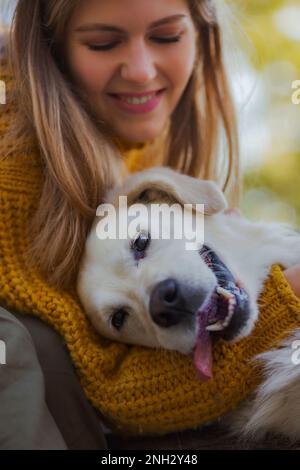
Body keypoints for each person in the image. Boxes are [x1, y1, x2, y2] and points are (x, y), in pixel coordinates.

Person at [1, 0, 300, 450]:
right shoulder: (13, 158)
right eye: (103, 43)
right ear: (51, 51)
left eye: (166, 36)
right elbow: (114, 389)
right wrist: (288, 295)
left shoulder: (139, 150)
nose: (141, 71)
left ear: (202, 34)